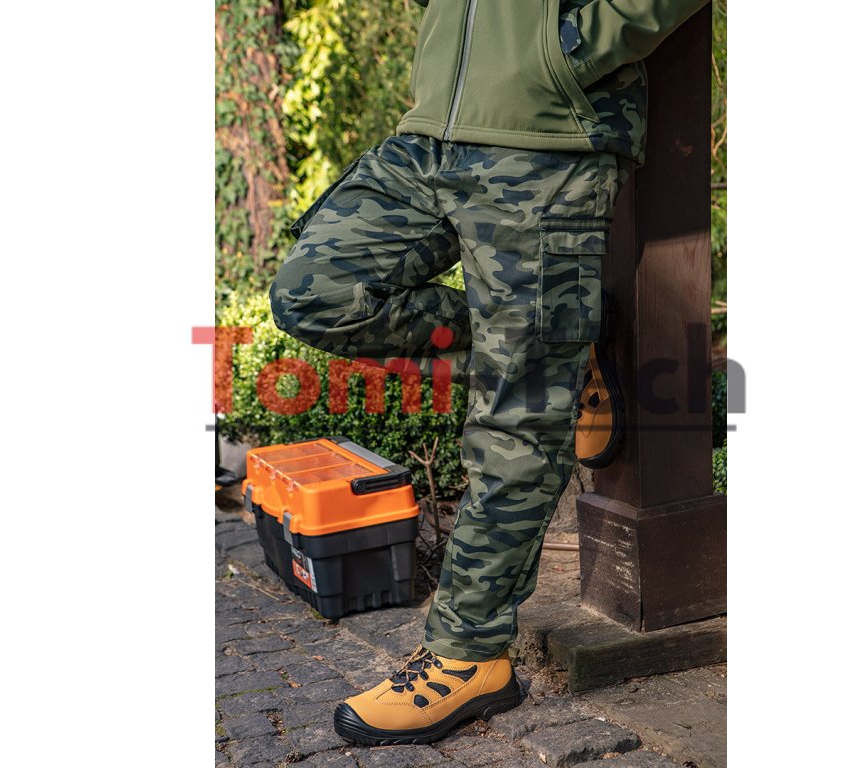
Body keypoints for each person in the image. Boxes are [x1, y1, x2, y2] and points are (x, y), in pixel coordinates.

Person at [269, 0, 706, 746]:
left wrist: (563, 55)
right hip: (433, 130)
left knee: (519, 412)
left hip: (547, 137)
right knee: (314, 294)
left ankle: (470, 656)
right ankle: (557, 342)